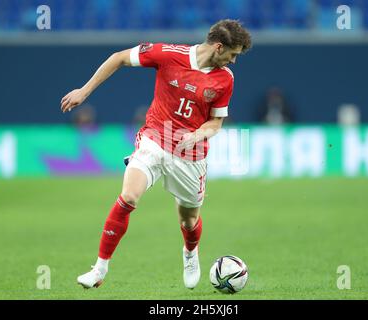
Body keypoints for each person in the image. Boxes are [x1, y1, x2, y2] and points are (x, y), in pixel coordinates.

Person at [60, 19, 252, 290]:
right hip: (155, 139)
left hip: (191, 153)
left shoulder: (225, 80)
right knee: (128, 196)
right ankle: (99, 268)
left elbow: (215, 123)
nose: (234, 62)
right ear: (219, 47)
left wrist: (196, 135)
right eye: (233, 55)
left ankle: (190, 253)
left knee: (189, 219)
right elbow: (119, 58)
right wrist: (84, 90)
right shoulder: (169, 54)